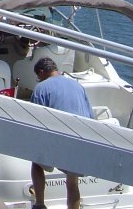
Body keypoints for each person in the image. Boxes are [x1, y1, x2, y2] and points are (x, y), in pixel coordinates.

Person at [29, 56, 93, 209]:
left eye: (38, 77)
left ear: (42, 72)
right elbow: (91, 117)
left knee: (35, 160)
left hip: (58, 141)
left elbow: (33, 121)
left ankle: (40, 204)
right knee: (72, 182)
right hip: (80, 141)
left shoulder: (41, 88)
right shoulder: (78, 86)